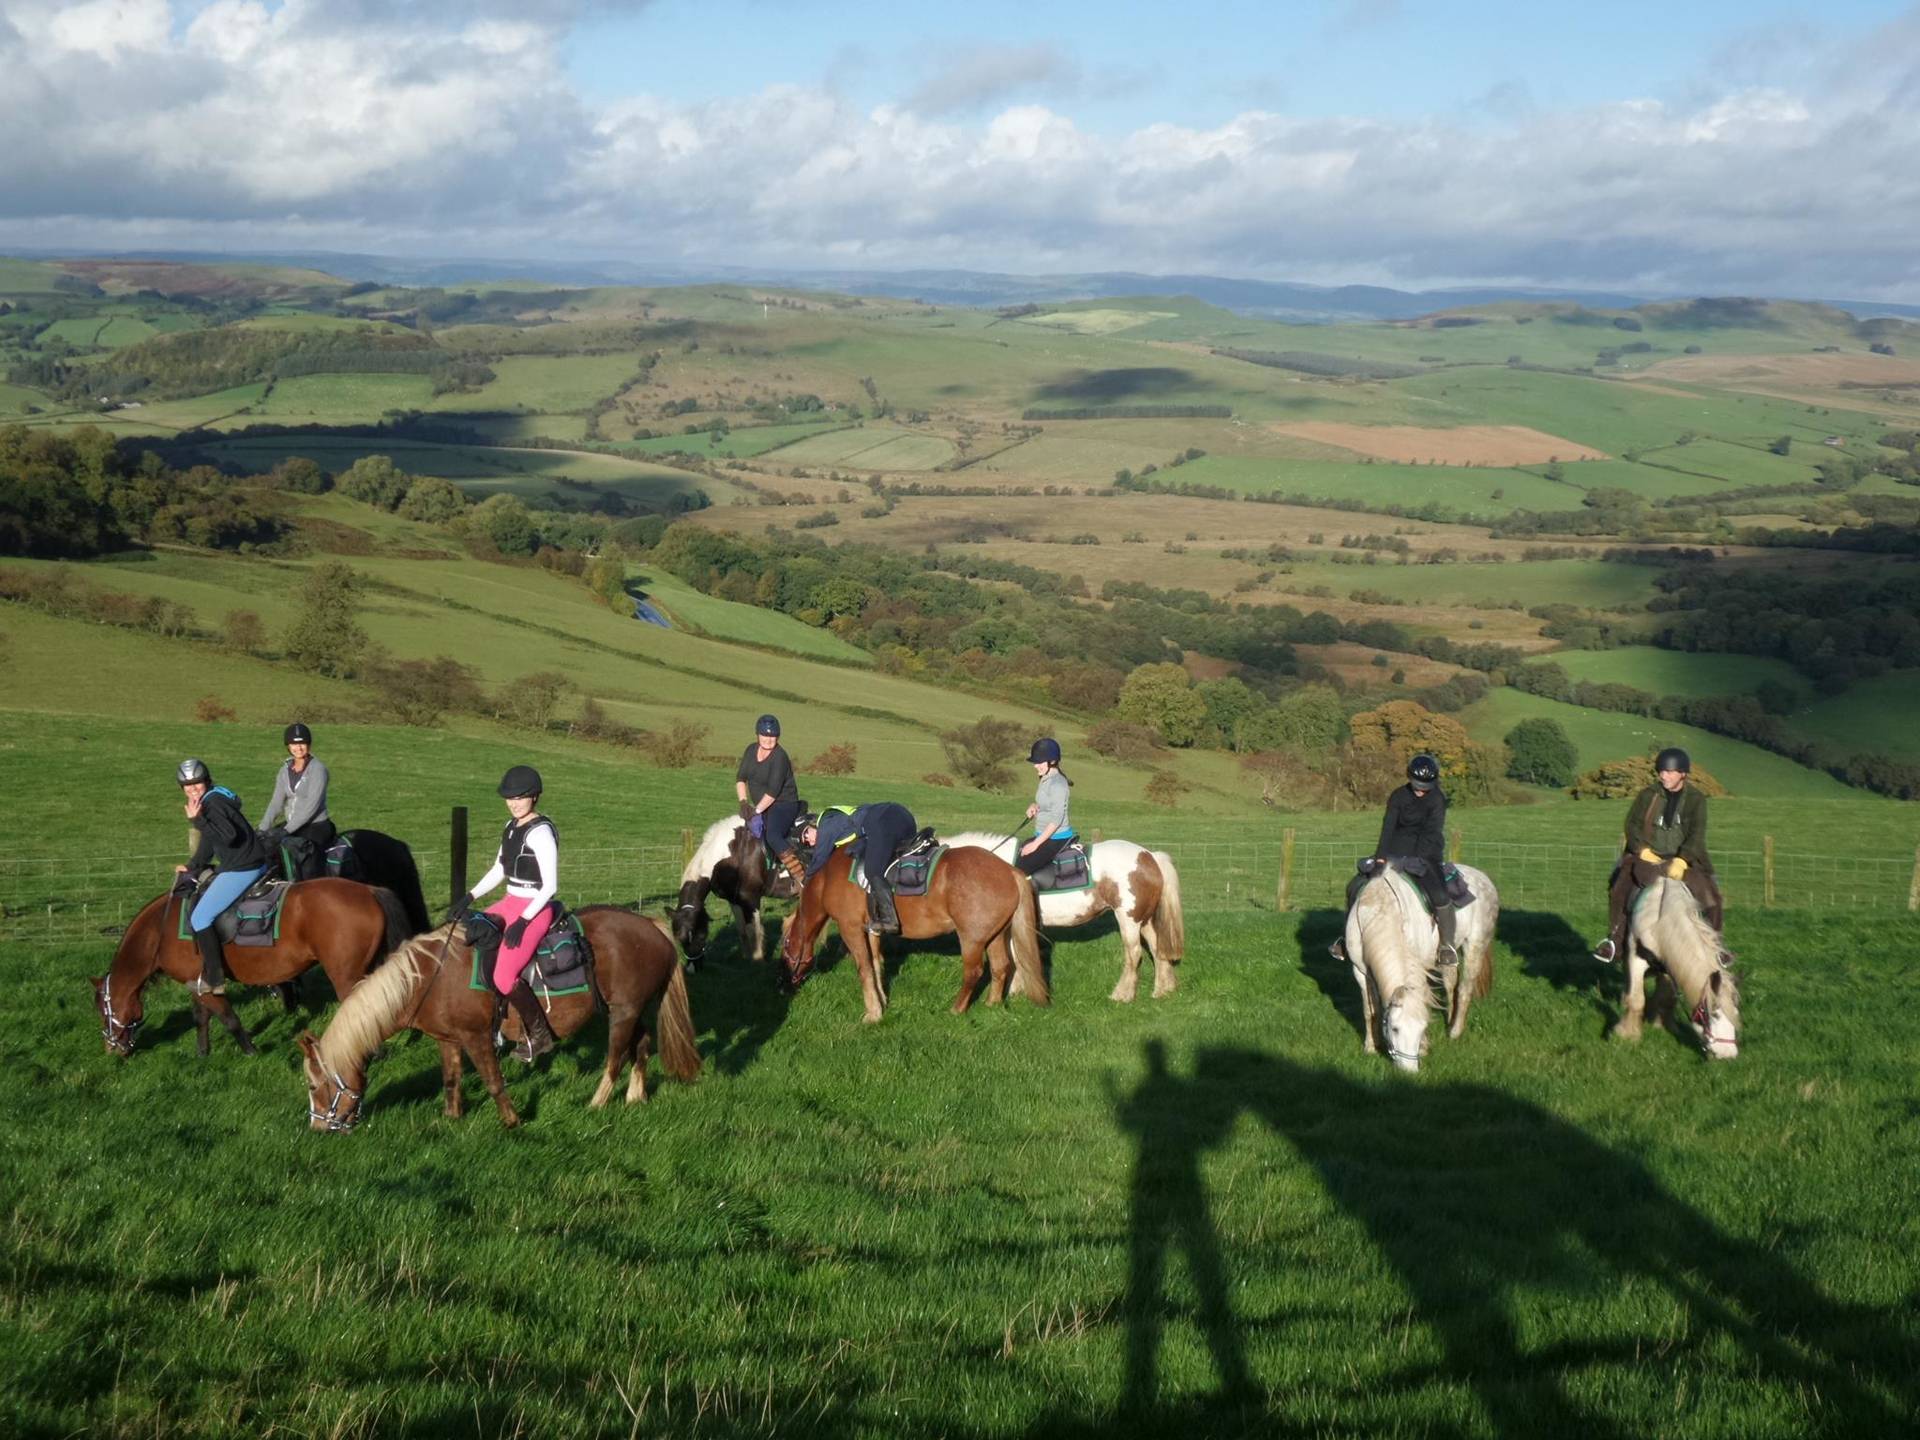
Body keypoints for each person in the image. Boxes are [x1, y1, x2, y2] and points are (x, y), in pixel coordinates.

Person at [451, 766, 560, 1063]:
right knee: (470, 936)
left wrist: (524, 921)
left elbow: (550, 885)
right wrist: (470, 896)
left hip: (535, 908)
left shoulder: (540, 833)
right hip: (510, 900)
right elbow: (500, 869)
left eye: (520, 797)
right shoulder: (511, 827)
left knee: (504, 975)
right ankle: (494, 1023)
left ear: (534, 797)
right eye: (509, 797)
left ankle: (540, 1036)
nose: (513, 802)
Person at [1592, 747, 1723, 962]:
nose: (1664, 776)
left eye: (1670, 772)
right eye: (1661, 771)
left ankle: (1716, 948)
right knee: (1619, 888)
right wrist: (1642, 850)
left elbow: (1697, 834)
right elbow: (1631, 825)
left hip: (1685, 860)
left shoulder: (1696, 799)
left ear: (1683, 773)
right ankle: (1614, 942)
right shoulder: (1647, 795)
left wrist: (1682, 859)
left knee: (1712, 896)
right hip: (1647, 857)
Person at [1330, 753, 1458, 964]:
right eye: (1417, 784)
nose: (1420, 790)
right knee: (1357, 884)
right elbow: (1388, 827)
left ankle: (1447, 946)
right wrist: (1381, 858)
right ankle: (1346, 939)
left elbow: (1431, 832)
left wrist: (1415, 861)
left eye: (1425, 786)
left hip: (1426, 852)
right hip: (1395, 849)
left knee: (1440, 895)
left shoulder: (1437, 799)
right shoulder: (1398, 796)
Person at [172, 758, 272, 996]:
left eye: (197, 782)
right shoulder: (213, 797)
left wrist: (197, 820)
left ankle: (214, 979)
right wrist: (193, 865)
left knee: (200, 918)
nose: (193, 788)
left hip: (243, 867)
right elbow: (210, 840)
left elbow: (227, 837)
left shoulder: (213, 803)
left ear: (206, 780)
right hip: (245, 862)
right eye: (187, 785)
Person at [799, 801, 917, 935]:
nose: (808, 841)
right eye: (806, 843)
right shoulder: (837, 821)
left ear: (813, 824)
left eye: (806, 835)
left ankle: (889, 919)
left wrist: (806, 881)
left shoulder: (826, 824)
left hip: (881, 820)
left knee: (872, 871)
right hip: (903, 817)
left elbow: (819, 857)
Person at [258, 722, 335, 880]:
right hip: (292, 825)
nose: (298, 748)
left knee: (307, 862)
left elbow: (311, 807)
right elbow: (276, 802)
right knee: (266, 847)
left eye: (302, 743)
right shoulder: (284, 770)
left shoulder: (318, 770)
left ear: (309, 745)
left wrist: (286, 830)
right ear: (288, 746)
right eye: (294, 743)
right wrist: (262, 829)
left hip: (316, 826)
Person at [736, 714, 806, 886]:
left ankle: (801, 878)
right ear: (757, 735)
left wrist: (755, 811)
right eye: (765, 735)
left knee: (773, 835)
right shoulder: (751, 750)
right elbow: (740, 778)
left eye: (772, 736)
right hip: (761, 804)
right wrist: (744, 803)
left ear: (778, 737)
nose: (768, 739)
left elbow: (773, 792)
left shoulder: (780, 757)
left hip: (783, 804)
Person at [1017, 737, 1076, 876]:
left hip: (1056, 839)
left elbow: (1056, 820)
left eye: (1039, 762)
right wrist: (1035, 806)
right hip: (1043, 835)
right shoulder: (1045, 778)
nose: (1035, 765)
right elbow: (1048, 803)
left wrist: (1035, 845)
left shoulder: (1058, 784)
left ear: (1053, 761)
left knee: (1019, 872)